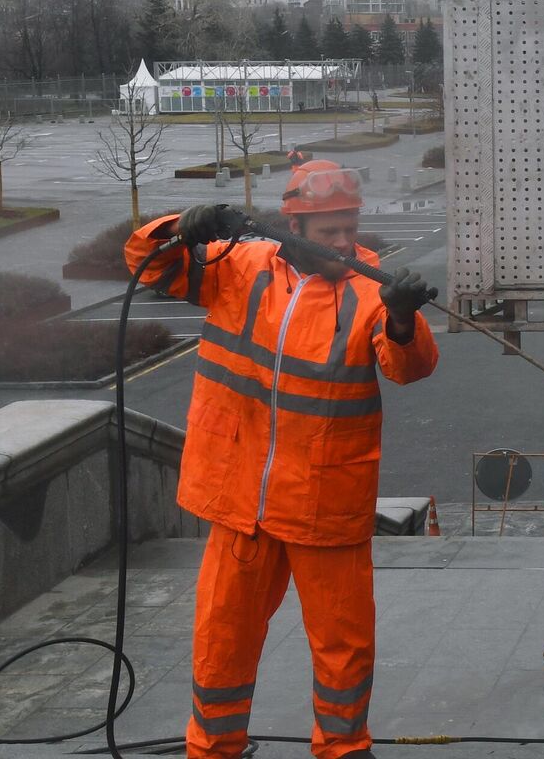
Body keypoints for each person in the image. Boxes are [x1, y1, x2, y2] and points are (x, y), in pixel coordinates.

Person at [123, 160, 441, 759]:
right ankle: (214, 749)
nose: (346, 243)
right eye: (330, 233)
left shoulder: (370, 290)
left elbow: (411, 366)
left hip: (325, 507)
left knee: (343, 648)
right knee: (222, 638)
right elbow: (150, 265)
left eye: (350, 229)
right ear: (293, 225)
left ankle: (344, 749)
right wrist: (177, 226)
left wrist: (402, 318)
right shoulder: (238, 269)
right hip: (240, 501)